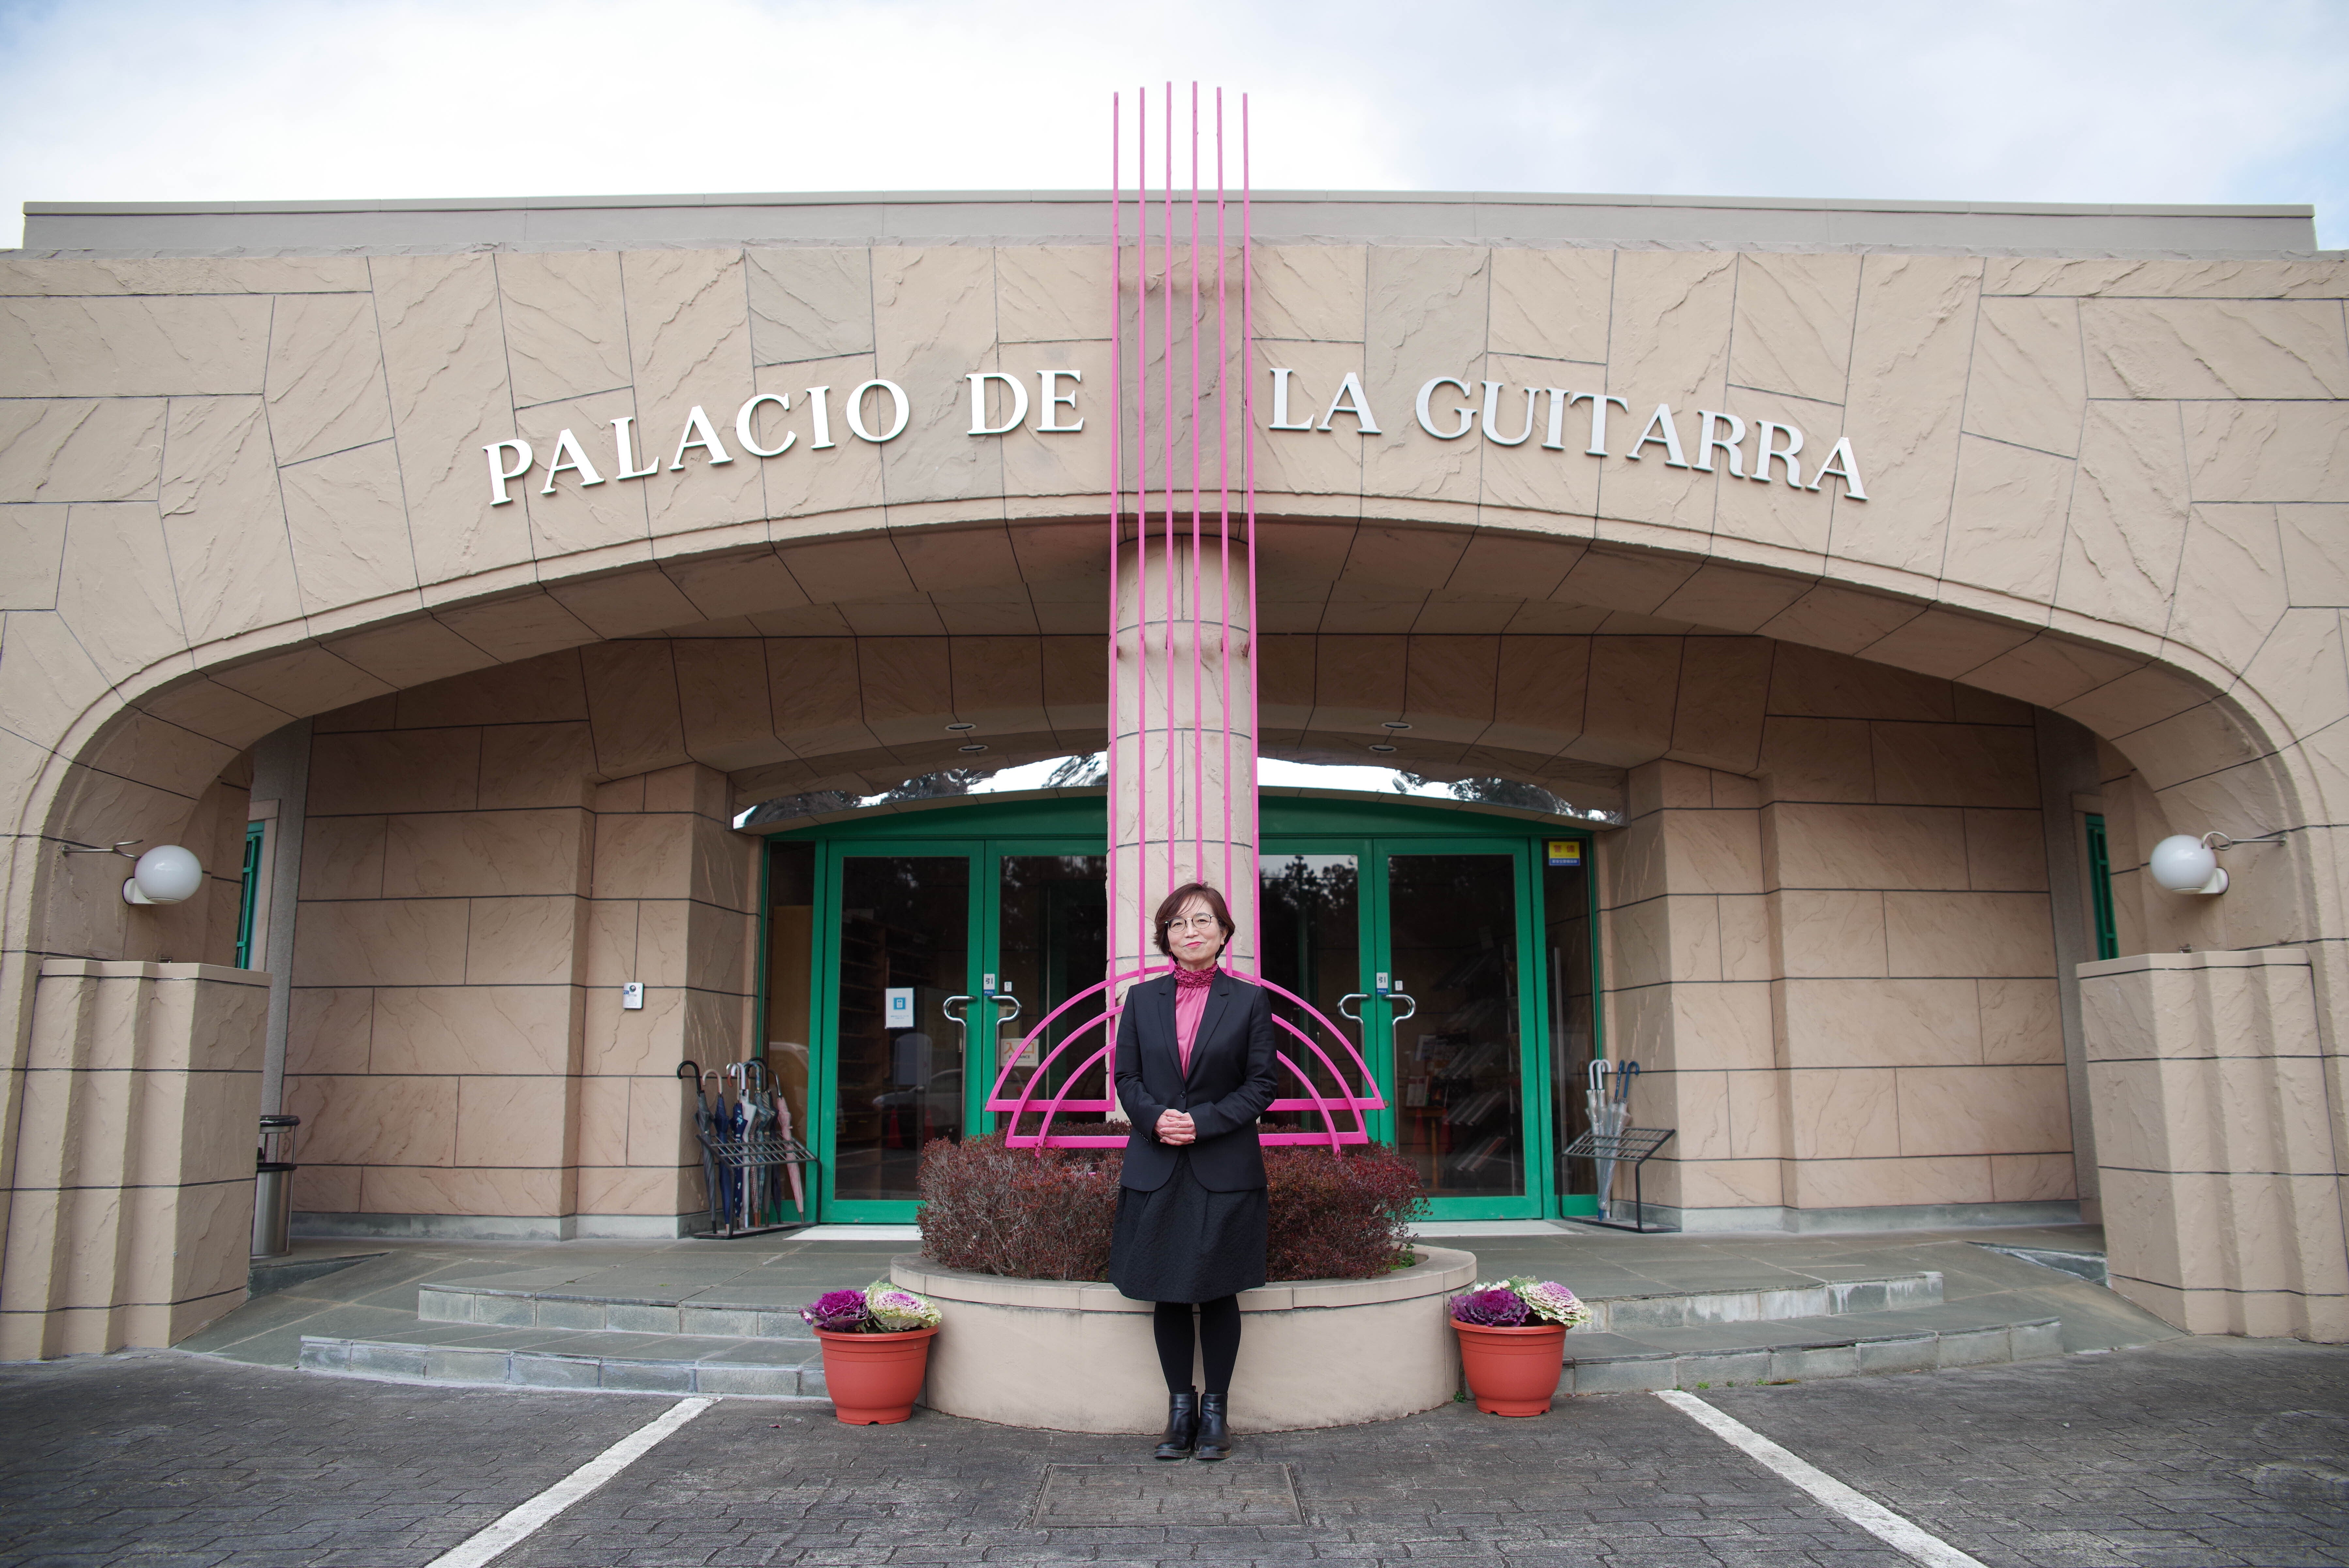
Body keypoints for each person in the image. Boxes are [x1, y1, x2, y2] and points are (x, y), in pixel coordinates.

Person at [1108, 882, 1279, 1462]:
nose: (1191, 931)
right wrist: (1157, 1119)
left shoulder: (1250, 1001)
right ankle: (1179, 1410)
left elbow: (1262, 1084)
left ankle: (1216, 1415)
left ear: (1224, 932)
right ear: (1167, 937)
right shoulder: (1140, 1000)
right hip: (1157, 1163)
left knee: (1220, 1290)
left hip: (1224, 1166)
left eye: (1203, 920)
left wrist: (1201, 1122)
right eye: (1178, 923)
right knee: (1170, 1292)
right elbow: (1126, 1077)